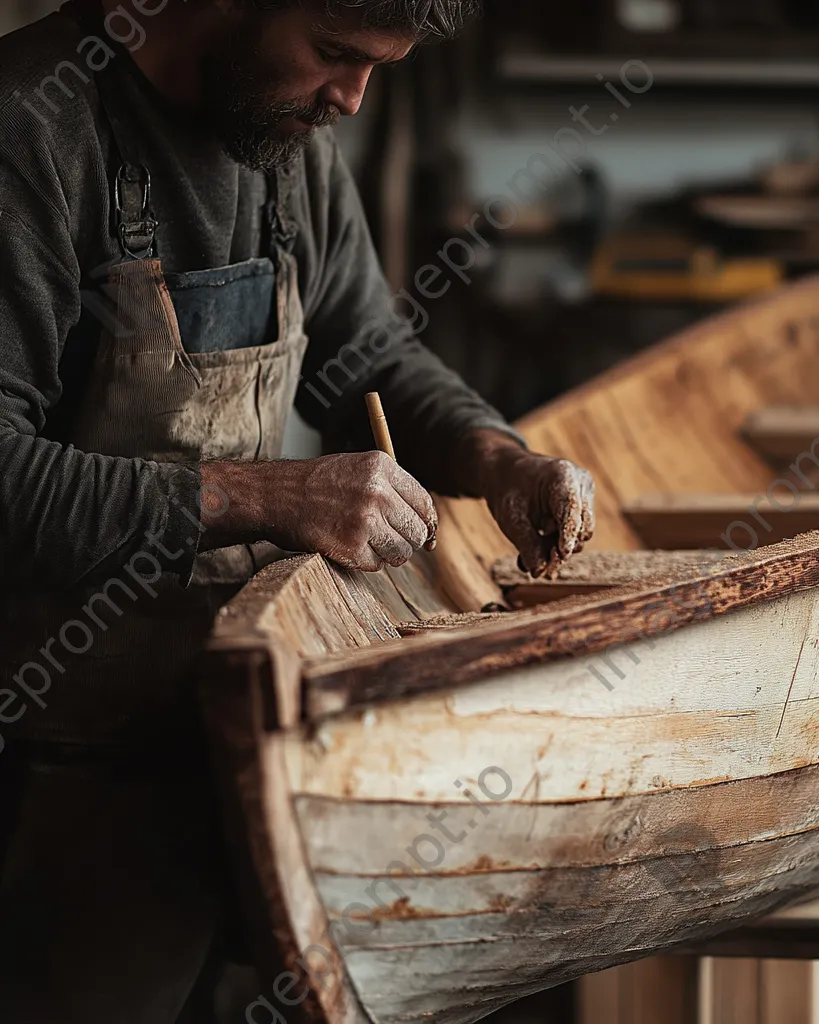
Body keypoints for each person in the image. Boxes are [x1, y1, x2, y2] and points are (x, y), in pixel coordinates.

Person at [0, 1, 596, 1019]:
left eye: (377, 69)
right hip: (54, 765)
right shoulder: (35, 130)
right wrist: (267, 495)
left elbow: (367, 354)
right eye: (332, 54)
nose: (353, 98)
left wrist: (498, 459)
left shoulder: (279, 133)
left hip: (232, 731)